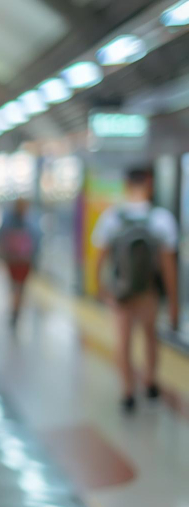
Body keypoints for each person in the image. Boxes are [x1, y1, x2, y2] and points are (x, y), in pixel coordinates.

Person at [93, 167, 178, 413]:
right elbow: (168, 266)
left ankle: (127, 391)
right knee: (151, 336)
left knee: (123, 341)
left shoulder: (112, 217)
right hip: (148, 292)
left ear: (126, 184)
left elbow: (99, 258)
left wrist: (100, 287)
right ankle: (150, 381)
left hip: (121, 292)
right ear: (149, 183)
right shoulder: (161, 218)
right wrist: (173, 302)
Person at [0, 198, 40, 329]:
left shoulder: (8, 220)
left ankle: (15, 309)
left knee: (15, 287)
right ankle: (16, 309)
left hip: (13, 260)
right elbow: (37, 242)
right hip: (24, 261)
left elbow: (0, 237)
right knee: (20, 288)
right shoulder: (31, 221)